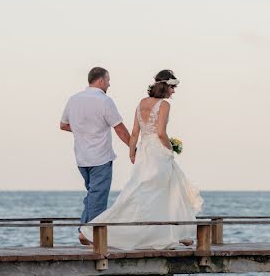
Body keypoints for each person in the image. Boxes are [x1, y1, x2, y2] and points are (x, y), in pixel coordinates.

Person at [80, 70, 203, 250]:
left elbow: (135, 133)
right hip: (157, 152)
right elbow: (161, 133)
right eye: (173, 88)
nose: (174, 92)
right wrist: (170, 148)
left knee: (142, 190)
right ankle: (170, 233)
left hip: (144, 151)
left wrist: (131, 152)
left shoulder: (141, 103)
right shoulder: (164, 105)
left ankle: (174, 233)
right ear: (166, 86)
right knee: (161, 191)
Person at [60, 67, 131, 244]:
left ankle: (84, 230)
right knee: (98, 197)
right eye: (108, 80)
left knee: (92, 195)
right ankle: (90, 235)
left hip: (81, 158)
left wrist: (83, 131)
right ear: (100, 80)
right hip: (100, 157)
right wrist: (133, 148)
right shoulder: (105, 101)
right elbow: (120, 128)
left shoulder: (73, 99)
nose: (109, 83)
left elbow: (63, 125)